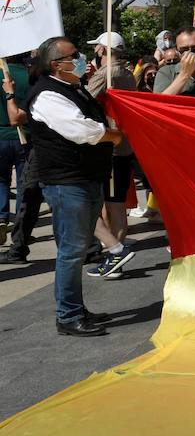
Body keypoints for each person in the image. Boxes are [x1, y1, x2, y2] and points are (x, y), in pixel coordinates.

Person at [24, 37, 125, 336]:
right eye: (74, 55)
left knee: (79, 249)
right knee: (71, 251)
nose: (80, 58)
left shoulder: (73, 87)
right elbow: (81, 130)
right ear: (57, 64)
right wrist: (112, 135)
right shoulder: (47, 95)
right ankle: (67, 315)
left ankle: (75, 307)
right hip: (67, 182)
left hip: (84, 178)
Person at [83, 32, 138, 279]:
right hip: (122, 145)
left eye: (97, 47)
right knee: (114, 205)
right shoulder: (126, 72)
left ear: (103, 49)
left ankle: (116, 257)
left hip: (111, 148)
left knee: (114, 206)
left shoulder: (107, 73)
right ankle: (114, 255)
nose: (95, 50)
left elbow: (84, 101)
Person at [1, 53, 29, 247]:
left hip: (1, 136)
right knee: (23, 183)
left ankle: (1, 218)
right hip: (23, 135)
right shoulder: (29, 75)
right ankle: (21, 227)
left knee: (1, 180)